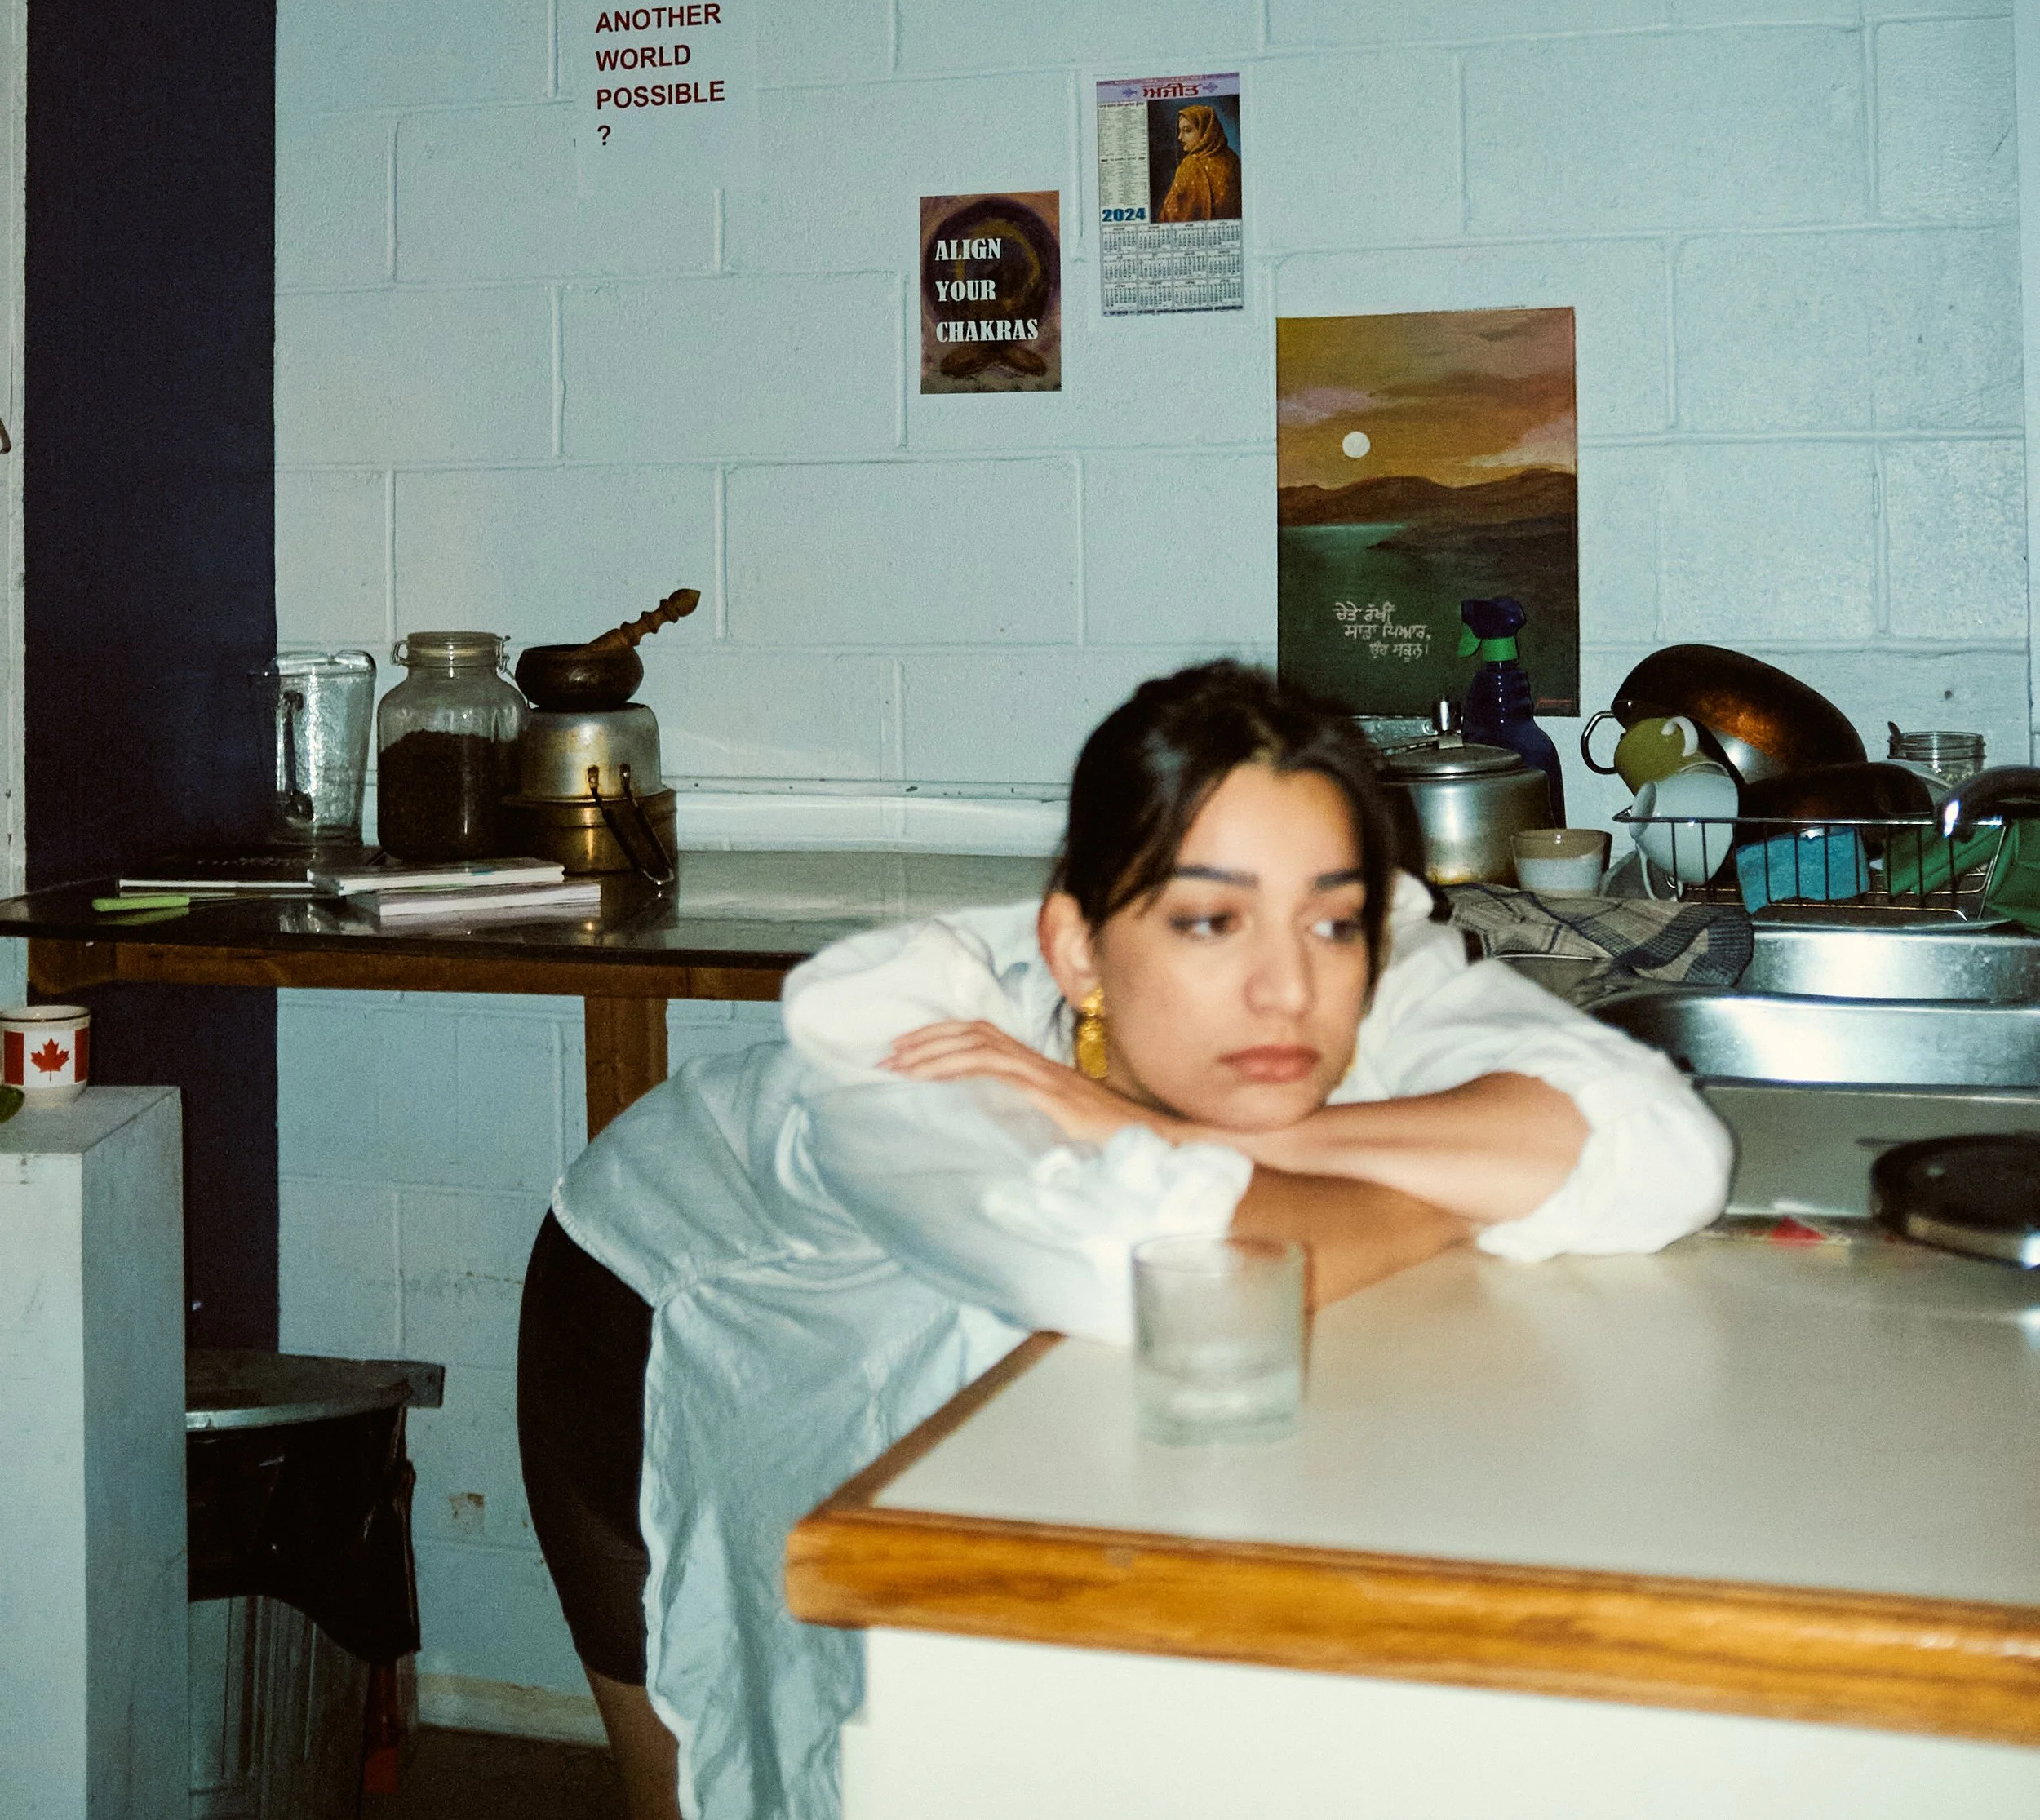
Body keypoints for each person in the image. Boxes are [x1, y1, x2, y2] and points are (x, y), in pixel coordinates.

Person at [517, 662, 1731, 1820]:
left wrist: (1198, 1138)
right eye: (1208, 922)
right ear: (1077, 951)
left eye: (1333, 923)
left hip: (923, 1323)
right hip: (648, 1304)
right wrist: (1467, 1179)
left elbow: (1668, 1152)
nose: (1285, 993)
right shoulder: (915, 1041)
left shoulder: (1364, 963)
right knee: (734, 1772)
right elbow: (1127, 1270)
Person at [1158, 104, 1243, 222]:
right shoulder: (1233, 158)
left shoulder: (1191, 165)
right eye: (1180, 131)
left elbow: (1171, 216)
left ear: (1206, 132)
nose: (1180, 137)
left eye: (1187, 131)